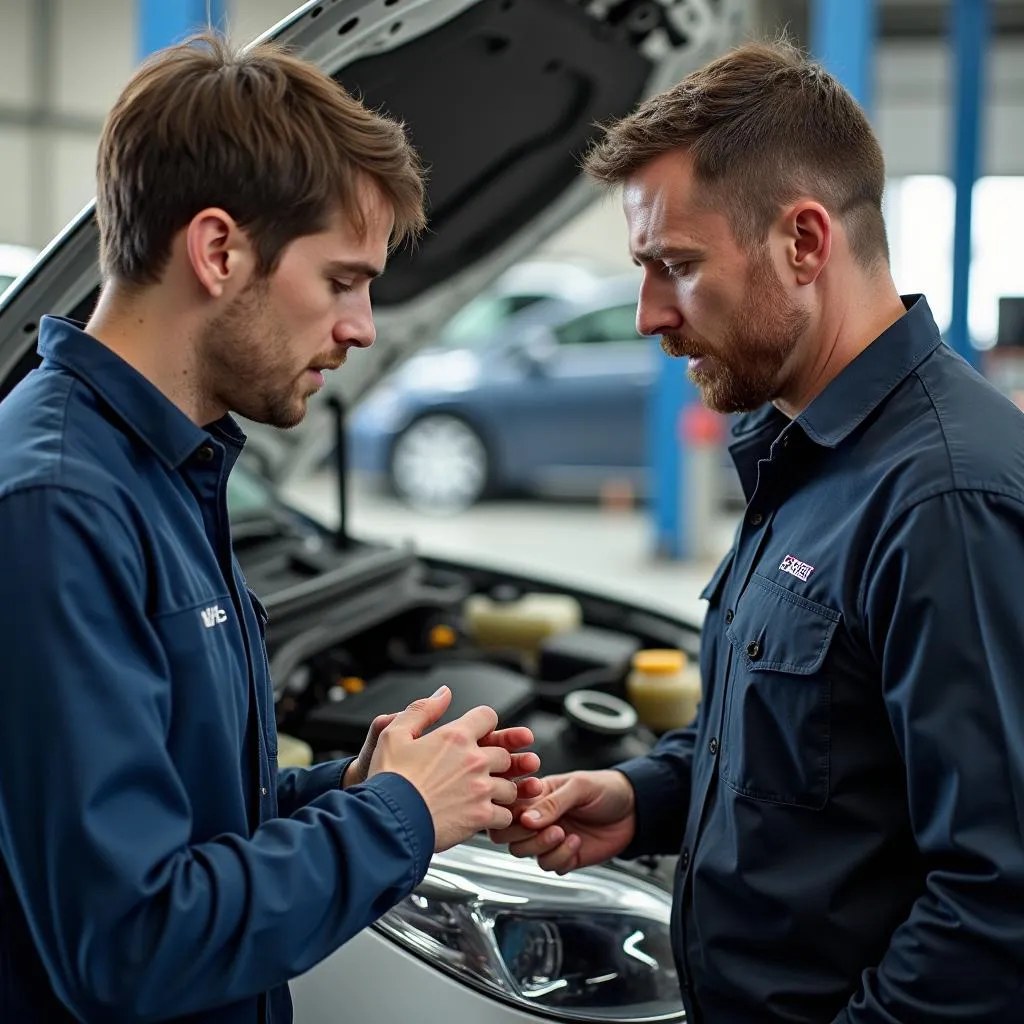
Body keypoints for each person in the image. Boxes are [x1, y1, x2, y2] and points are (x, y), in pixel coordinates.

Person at [0, 34, 540, 1024]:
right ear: (217, 251)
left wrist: (359, 783)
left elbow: (199, 827)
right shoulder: (57, 507)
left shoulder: (169, 471)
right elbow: (129, 942)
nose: (365, 326)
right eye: (341, 279)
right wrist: (398, 818)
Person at [490, 38, 1024, 1024]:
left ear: (804, 242)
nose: (649, 314)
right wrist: (645, 793)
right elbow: (815, 748)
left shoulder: (945, 499)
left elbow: (998, 901)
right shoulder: (809, 454)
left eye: (675, 266)